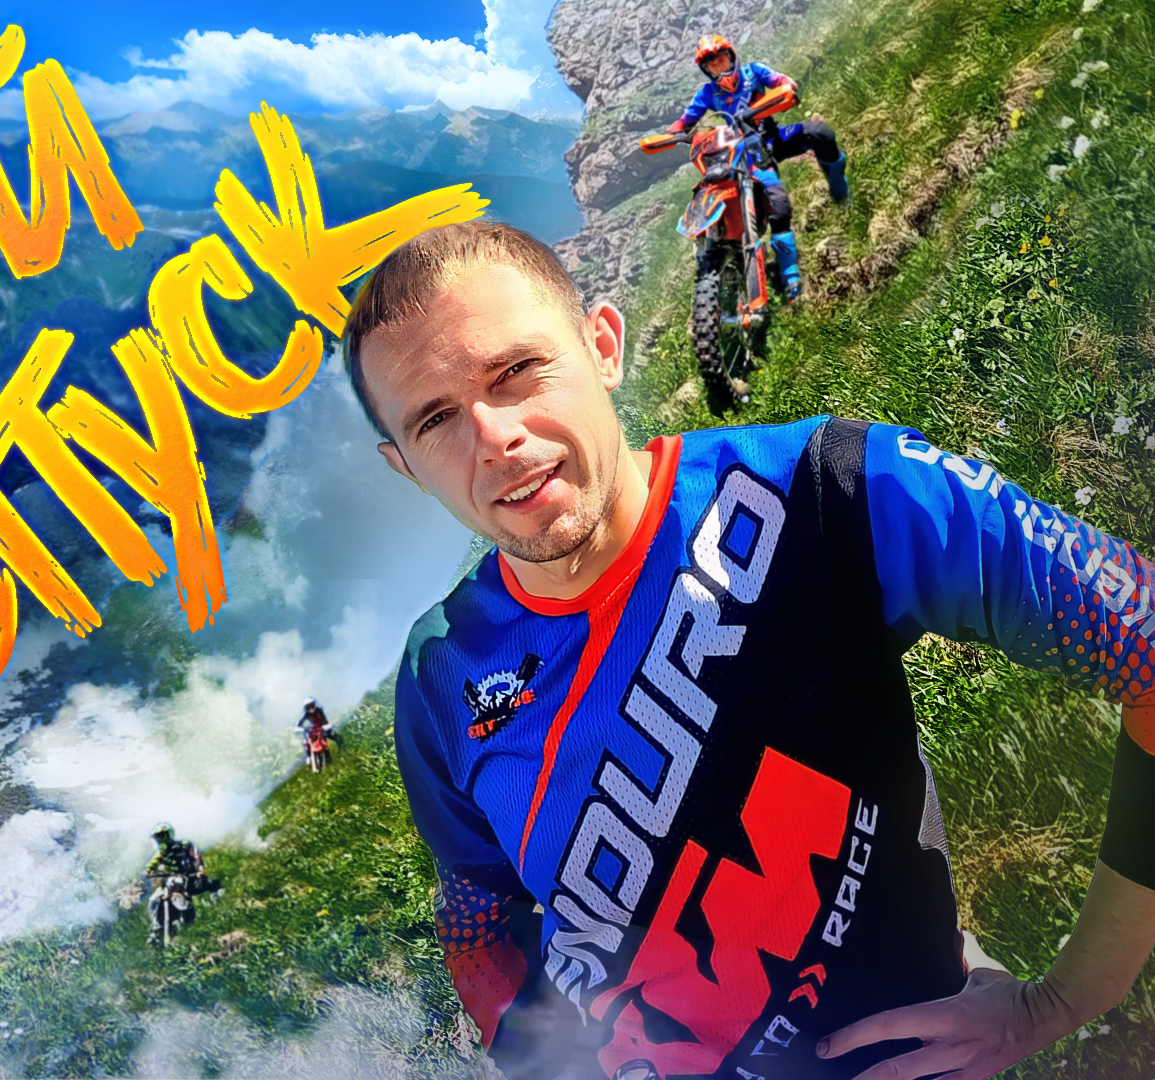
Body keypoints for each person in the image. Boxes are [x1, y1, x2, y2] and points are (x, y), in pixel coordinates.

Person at [342, 220, 1155, 1080]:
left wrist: (1068, 998)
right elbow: (478, 922)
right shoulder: (441, 674)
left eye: (515, 370)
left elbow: (1142, 638)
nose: (492, 437)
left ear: (603, 346)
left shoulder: (830, 486)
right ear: (406, 467)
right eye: (436, 419)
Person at [665, 33, 850, 300]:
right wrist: (671, 134)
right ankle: (790, 274)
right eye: (712, 66)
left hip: (774, 137)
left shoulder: (755, 72)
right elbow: (685, 120)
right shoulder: (707, 93)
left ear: (731, 56)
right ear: (707, 71)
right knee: (778, 203)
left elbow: (785, 84)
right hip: (749, 153)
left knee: (820, 133)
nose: (719, 69)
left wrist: (764, 105)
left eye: (721, 60)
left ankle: (839, 189)